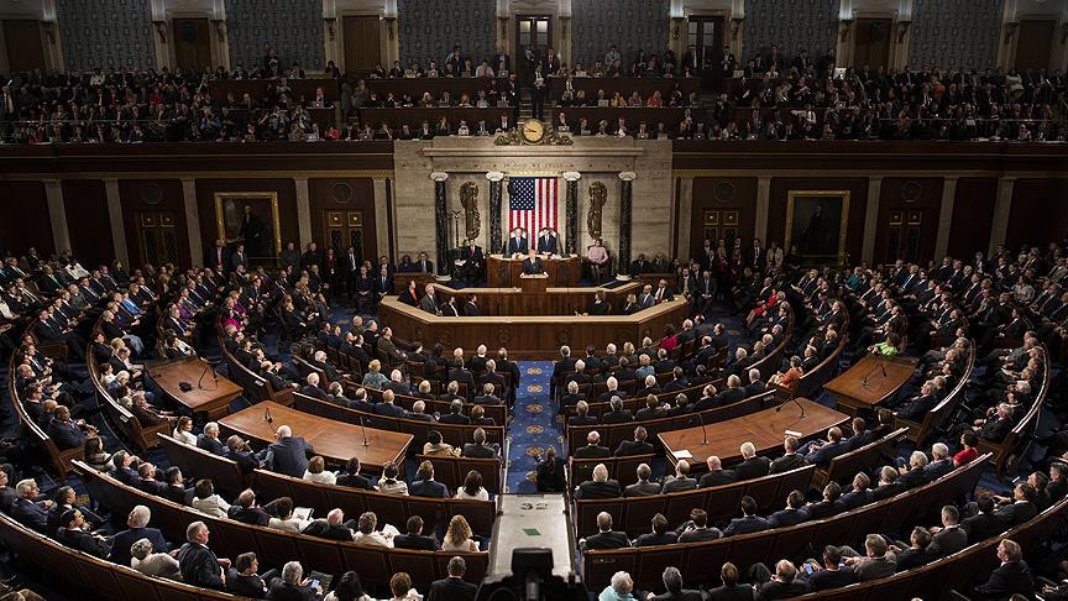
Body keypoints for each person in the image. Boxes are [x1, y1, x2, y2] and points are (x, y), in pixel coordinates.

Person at [178, 521, 230, 590]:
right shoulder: (203, 553)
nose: (208, 532)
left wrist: (216, 561)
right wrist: (221, 580)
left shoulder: (184, 546)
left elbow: (195, 562)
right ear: (198, 536)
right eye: (205, 531)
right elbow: (206, 579)